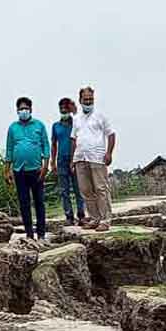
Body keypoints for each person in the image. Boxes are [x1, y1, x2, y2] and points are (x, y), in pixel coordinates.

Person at [71, 86, 116, 232]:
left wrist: (109, 153)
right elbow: (73, 138)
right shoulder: (76, 118)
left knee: (101, 188)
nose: (88, 102)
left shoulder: (100, 115)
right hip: (80, 157)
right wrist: (73, 159)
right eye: (86, 99)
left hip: (97, 157)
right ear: (80, 100)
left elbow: (111, 134)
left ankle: (105, 220)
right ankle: (95, 218)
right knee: (86, 190)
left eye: (91, 99)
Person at [5, 97, 50, 241]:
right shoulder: (13, 128)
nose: (23, 111)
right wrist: (7, 170)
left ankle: (41, 234)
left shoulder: (39, 125)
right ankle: (29, 234)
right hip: (19, 170)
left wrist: (45, 166)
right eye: (21, 109)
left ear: (30, 109)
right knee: (24, 203)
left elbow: (46, 146)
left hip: (36, 169)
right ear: (17, 110)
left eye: (26, 108)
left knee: (39, 202)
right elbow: (9, 149)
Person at [51, 98, 85, 226]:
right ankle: (69, 216)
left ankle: (81, 215)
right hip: (61, 160)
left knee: (78, 189)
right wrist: (52, 162)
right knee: (64, 191)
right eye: (61, 110)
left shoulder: (75, 123)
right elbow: (53, 144)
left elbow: (80, 118)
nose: (64, 111)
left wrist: (74, 108)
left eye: (66, 109)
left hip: (75, 159)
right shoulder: (56, 126)